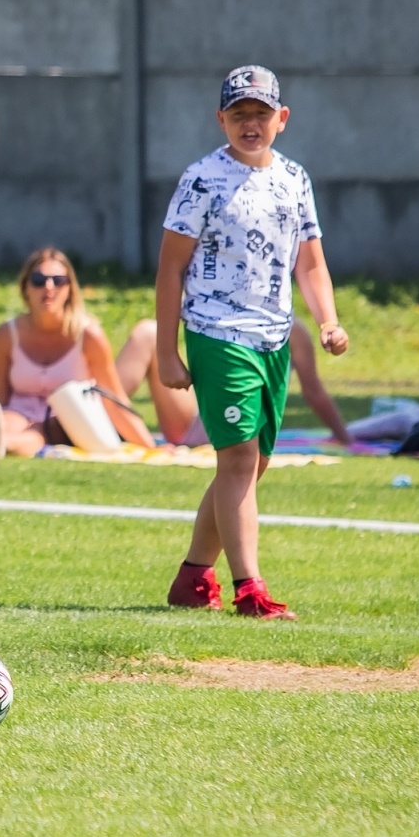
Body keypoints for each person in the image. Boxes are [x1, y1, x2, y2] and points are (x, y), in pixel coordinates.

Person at [156, 66, 348, 620]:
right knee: (238, 458)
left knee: (252, 464)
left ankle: (194, 577)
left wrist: (328, 320)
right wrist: (167, 350)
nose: (250, 123)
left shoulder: (294, 179)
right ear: (221, 119)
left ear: (281, 119)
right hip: (217, 334)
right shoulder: (201, 179)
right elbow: (171, 268)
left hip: (273, 337)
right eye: (239, 113)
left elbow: (309, 261)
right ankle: (250, 589)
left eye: (261, 113)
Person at [0, 248, 155, 458]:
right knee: (7, 421)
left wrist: (150, 448)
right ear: (25, 288)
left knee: (38, 433)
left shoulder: (89, 335)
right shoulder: (6, 335)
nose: (49, 287)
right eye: (39, 280)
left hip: (67, 417)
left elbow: (114, 400)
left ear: (70, 289)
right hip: (20, 409)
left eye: (58, 281)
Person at [117, 317, 351, 446]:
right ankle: (97, 420)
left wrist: (345, 439)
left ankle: (96, 420)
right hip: (205, 420)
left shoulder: (292, 331)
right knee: (148, 333)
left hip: (224, 427)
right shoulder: (223, 313)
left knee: (147, 334)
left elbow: (313, 391)